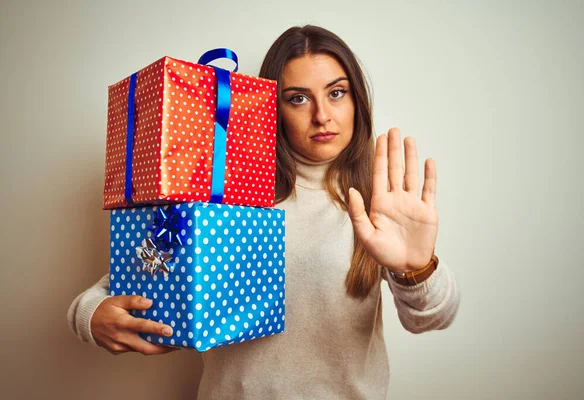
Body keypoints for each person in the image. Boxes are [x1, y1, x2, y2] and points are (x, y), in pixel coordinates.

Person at [68, 25, 461, 399]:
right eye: (298, 98)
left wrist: (417, 267)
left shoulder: (383, 202)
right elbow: (134, 276)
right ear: (271, 108)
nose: (322, 115)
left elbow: (431, 318)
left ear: (357, 99)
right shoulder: (225, 197)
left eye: (336, 93)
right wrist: (88, 315)